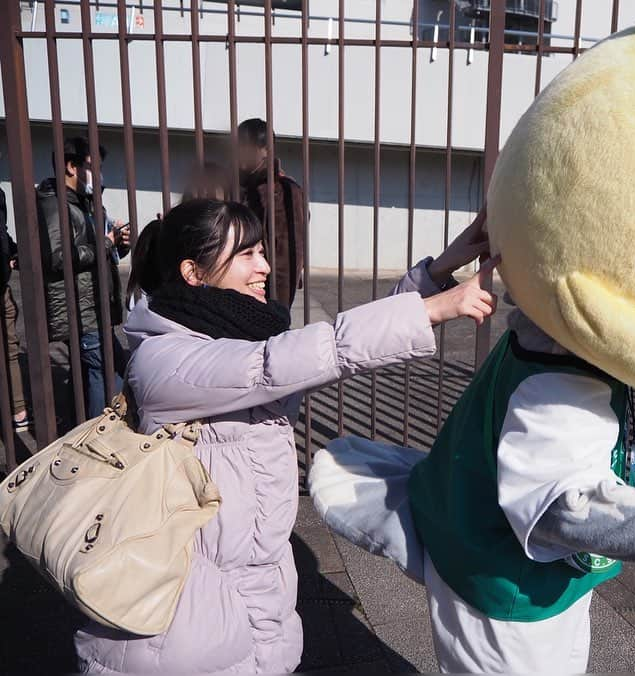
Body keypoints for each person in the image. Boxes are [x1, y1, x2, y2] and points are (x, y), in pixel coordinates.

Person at [74, 198, 497, 674]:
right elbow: (285, 361)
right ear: (194, 272)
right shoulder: (166, 359)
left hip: (248, 594)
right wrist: (432, 312)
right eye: (248, 255)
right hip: (179, 625)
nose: (266, 266)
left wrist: (439, 270)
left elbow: (317, 348)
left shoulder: (228, 333)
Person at [35, 136, 130, 418]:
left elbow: (100, 253)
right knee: (105, 379)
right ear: (71, 167)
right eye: (92, 166)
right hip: (80, 309)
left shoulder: (87, 203)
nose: (98, 174)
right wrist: (106, 243)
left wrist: (118, 245)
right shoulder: (55, 204)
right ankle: (98, 436)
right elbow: (57, 257)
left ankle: (96, 429)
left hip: (95, 307)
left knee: (110, 370)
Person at [237, 118, 305, 308]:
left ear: (266, 150)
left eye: (245, 146)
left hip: (265, 287)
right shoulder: (235, 185)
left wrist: (279, 306)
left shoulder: (284, 191)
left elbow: (289, 255)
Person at [0, 181, 30, 430]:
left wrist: (13, 253)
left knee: (10, 348)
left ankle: (18, 411)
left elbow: (2, 233)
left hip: (3, 287)